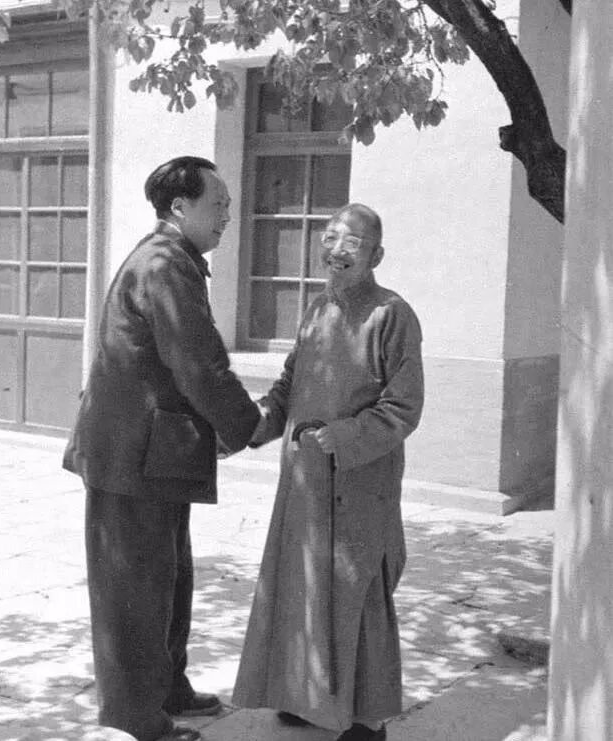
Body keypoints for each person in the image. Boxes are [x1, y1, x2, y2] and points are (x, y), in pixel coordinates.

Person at [63, 156, 260, 741]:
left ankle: (168, 688)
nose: (227, 215)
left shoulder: (172, 259)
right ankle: (136, 718)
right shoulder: (165, 266)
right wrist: (249, 425)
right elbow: (198, 364)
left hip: (154, 454)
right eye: (218, 204)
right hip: (132, 457)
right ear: (180, 207)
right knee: (136, 593)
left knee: (169, 580)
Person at [232, 203, 424, 741]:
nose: (337, 250)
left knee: (356, 591)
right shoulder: (317, 309)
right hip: (305, 479)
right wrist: (257, 425)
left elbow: (404, 406)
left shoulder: (392, 315)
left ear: (376, 256)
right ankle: (305, 697)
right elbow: (289, 383)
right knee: (301, 586)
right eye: (331, 238)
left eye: (353, 244)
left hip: (361, 478)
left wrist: (348, 435)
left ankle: (367, 718)